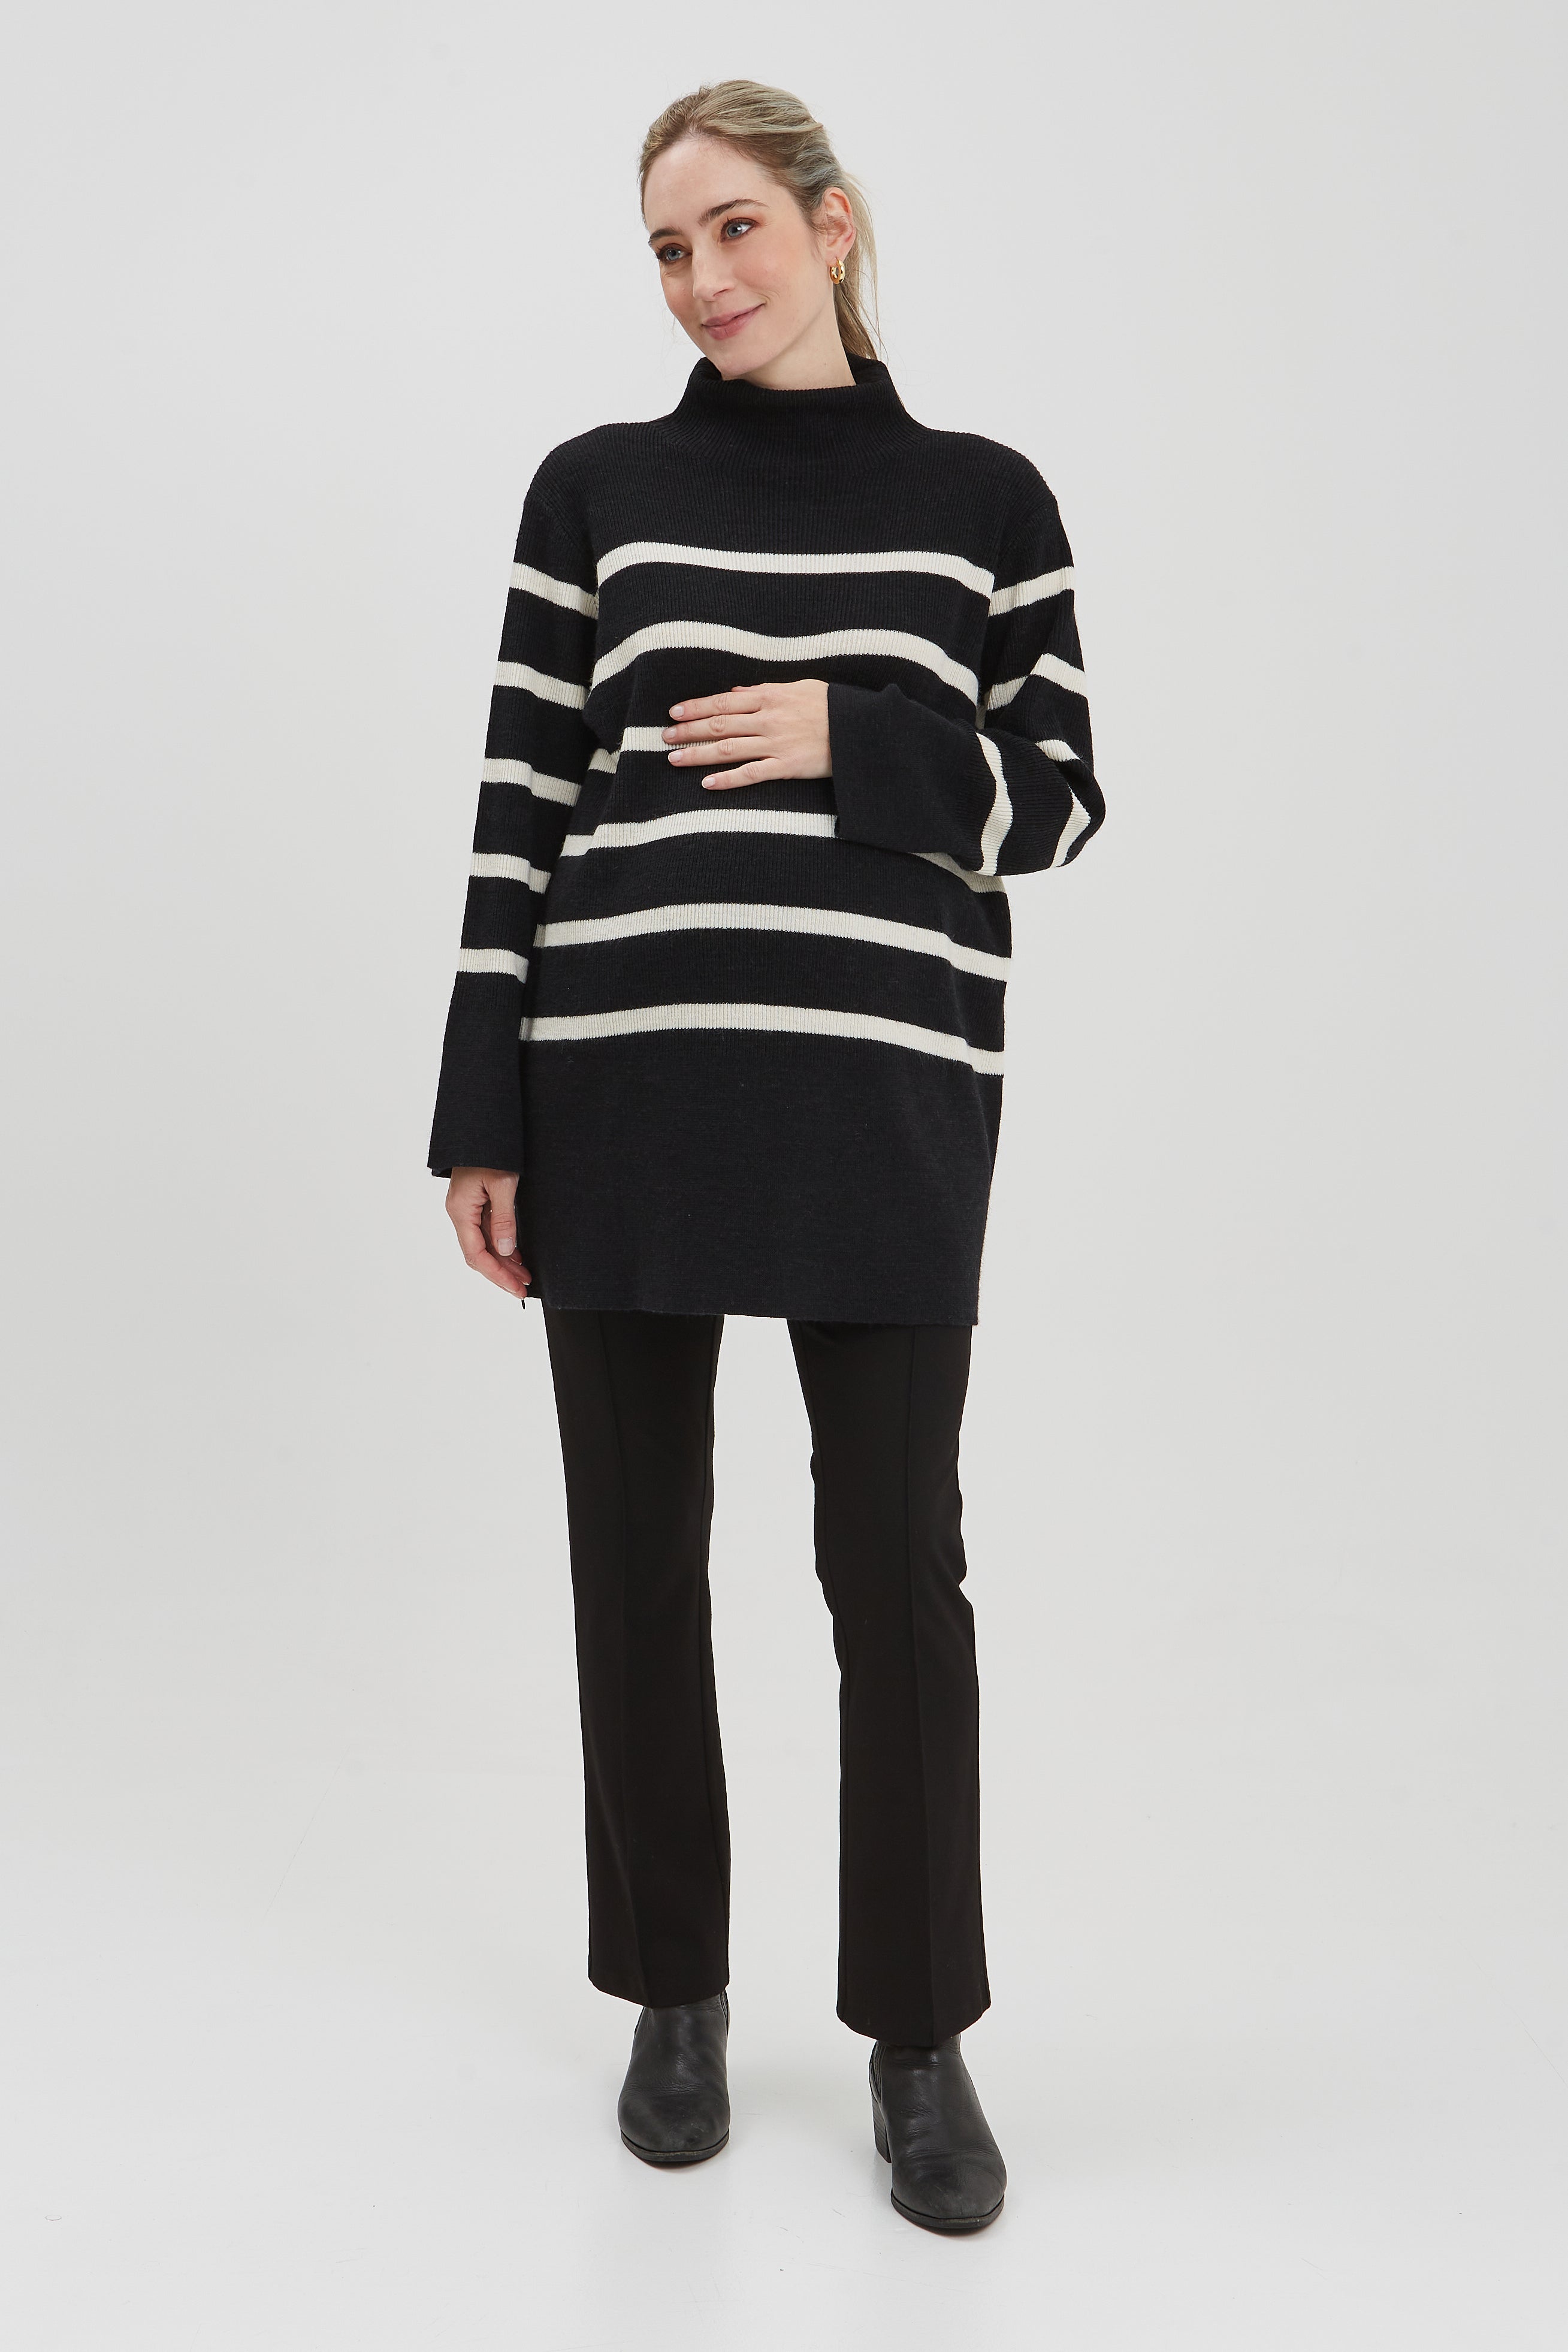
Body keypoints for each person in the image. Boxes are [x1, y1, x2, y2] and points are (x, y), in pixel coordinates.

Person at [427, 78, 1105, 2236]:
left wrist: (852, 729)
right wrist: (479, 1106)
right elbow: (519, 807)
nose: (701, 278)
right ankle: (674, 1994)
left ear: (827, 223)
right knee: (633, 1563)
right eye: (665, 247)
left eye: (732, 227)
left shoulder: (981, 499)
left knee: (893, 1575)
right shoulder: (597, 491)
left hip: (881, 1109)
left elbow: (1061, 798)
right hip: (622, 1093)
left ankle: (916, 2037)